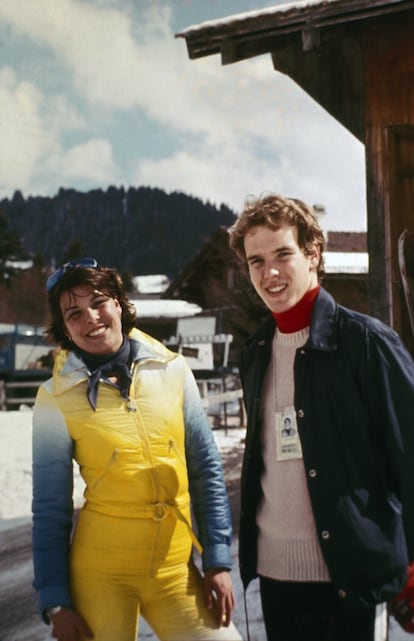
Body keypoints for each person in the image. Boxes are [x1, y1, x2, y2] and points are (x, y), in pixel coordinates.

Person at [228, 193, 414, 641]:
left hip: (351, 576)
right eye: (256, 261)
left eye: (282, 255)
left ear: (313, 254)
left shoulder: (367, 344)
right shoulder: (255, 353)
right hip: (276, 578)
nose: (269, 272)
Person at [31, 257, 242, 641]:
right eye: (74, 314)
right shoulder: (54, 399)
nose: (91, 318)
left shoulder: (173, 370)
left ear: (118, 301)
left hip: (175, 571)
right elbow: (50, 509)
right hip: (101, 575)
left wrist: (218, 558)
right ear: (64, 328)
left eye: (98, 302)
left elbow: (206, 468)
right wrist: (56, 600)